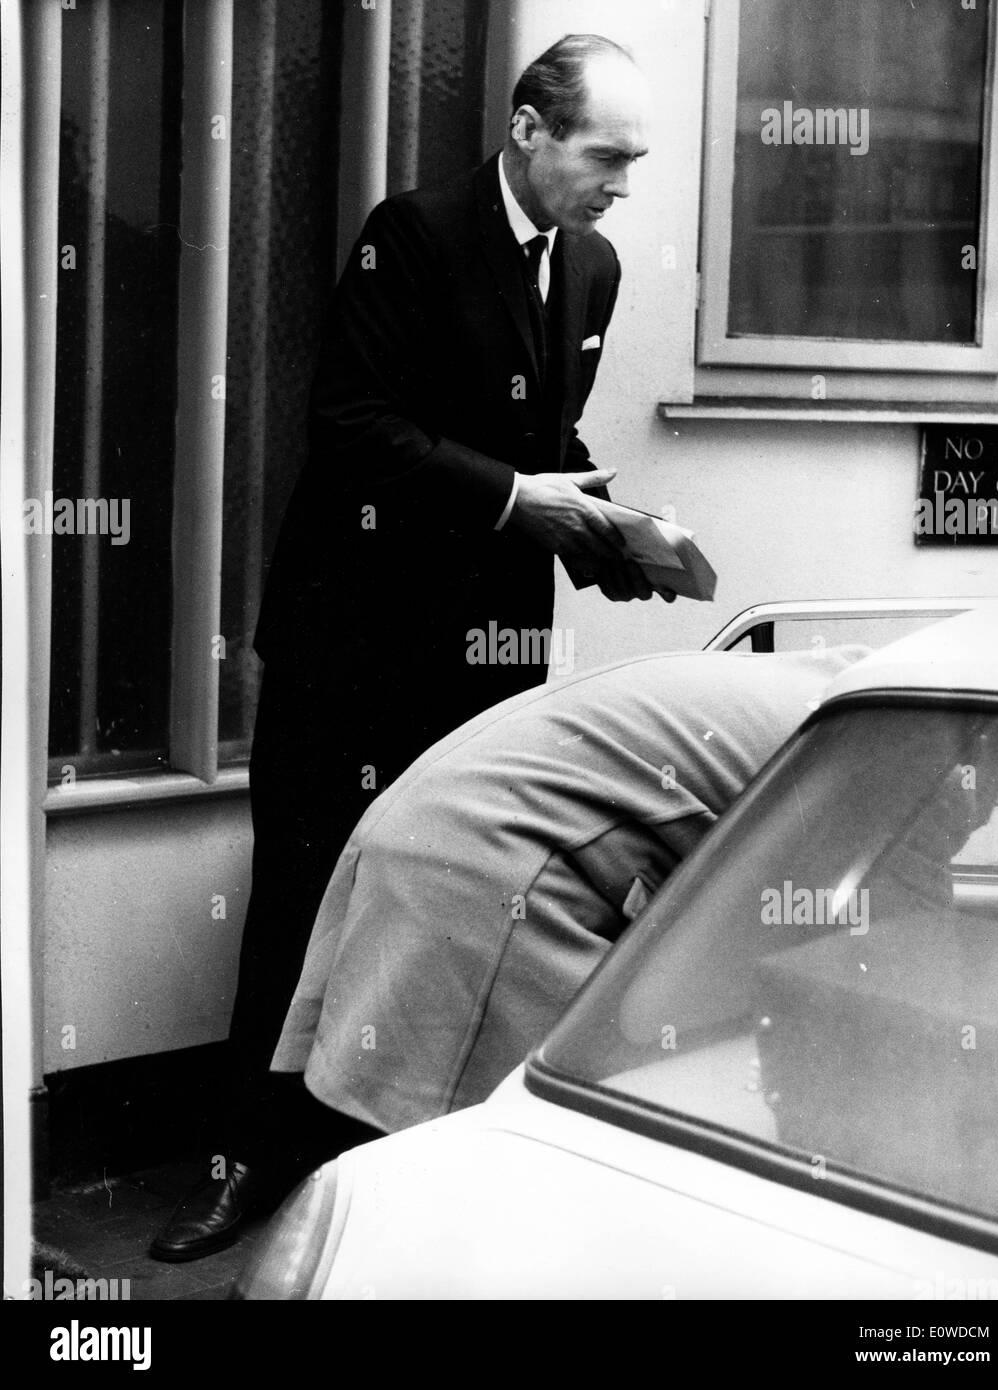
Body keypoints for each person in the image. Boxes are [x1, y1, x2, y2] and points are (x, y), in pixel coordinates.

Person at [151, 34, 663, 1263]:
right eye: (605, 156)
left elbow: (537, 435)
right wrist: (516, 498)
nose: (621, 187)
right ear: (527, 129)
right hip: (352, 642)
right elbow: (351, 427)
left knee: (447, 905)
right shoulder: (411, 235)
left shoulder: (588, 266)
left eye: (637, 162)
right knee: (299, 902)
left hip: (478, 656)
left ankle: (385, 1177)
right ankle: (242, 1168)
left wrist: (606, 535)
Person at [271, 644, 871, 1133]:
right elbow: (871, 955)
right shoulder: (881, 745)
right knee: (525, 1137)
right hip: (488, 856)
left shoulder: (826, 687)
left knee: (416, 1119)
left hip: (421, 811)